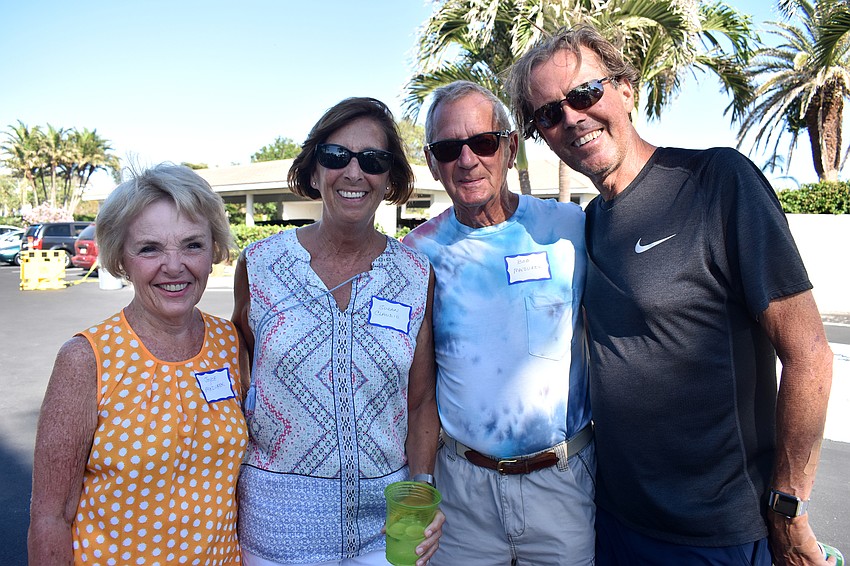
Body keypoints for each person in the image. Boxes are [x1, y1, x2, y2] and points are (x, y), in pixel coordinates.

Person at [508, 24, 835, 566]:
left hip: (718, 535)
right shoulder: (588, 224)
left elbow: (810, 355)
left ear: (626, 88)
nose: (572, 118)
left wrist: (788, 506)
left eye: (584, 93)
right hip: (614, 522)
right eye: (548, 113)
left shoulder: (716, 182)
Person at [232, 97, 443, 566]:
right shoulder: (260, 264)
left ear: (390, 178)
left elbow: (420, 401)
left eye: (373, 160)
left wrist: (422, 489)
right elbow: (239, 377)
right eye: (335, 156)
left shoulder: (415, 274)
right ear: (314, 169)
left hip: (389, 529)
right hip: (278, 528)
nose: (353, 172)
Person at [403, 80, 594, 565]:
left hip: (563, 486)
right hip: (461, 497)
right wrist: (421, 486)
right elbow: (418, 389)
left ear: (509, 148)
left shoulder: (569, 229)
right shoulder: (417, 254)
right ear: (432, 163)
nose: (467, 160)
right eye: (449, 149)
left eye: (483, 142)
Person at [28, 164, 249, 564]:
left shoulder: (230, 343)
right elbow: (51, 517)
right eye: (150, 248)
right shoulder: (86, 359)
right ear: (120, 259)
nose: (175, 265)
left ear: (213, 250)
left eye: (192, 245)